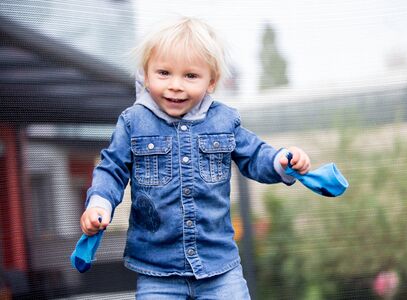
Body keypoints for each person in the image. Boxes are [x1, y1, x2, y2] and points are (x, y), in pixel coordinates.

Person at [79, 16, 311, 299]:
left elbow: (255, 155)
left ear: (211, 81)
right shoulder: (134, 122)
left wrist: (282, 161)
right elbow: (111, 169)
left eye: (190, 76)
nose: (175, 85)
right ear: (145, 73)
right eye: (164, 73)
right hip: (157, 271)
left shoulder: (224, 120)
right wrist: (99, 204)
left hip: (219, 268)